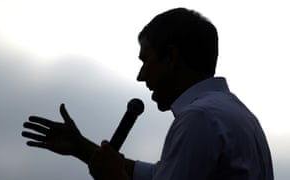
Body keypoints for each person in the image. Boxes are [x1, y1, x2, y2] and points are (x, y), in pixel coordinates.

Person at [22, 7, 274, 180]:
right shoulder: (235, 114)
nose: (141, 76)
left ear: (172, 57)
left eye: (146, 60)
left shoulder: (199, 118)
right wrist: (81, 148)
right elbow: (160, 175)